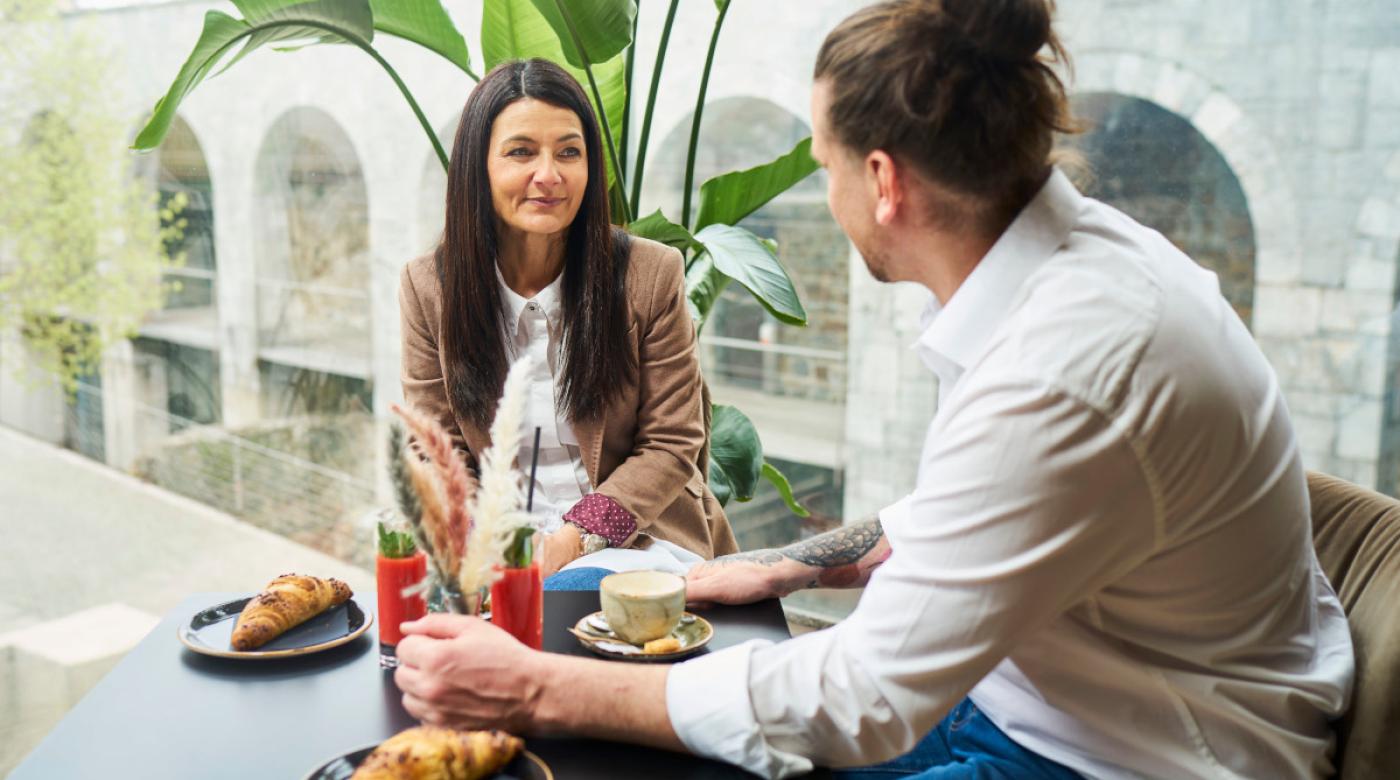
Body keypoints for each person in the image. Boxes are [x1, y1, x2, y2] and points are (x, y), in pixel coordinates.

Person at [393, 2, 1355, 777]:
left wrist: (534, 689)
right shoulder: (1071, 278)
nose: (826, 187)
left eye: (824, 167)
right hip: (1036, 699)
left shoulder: (1068, 368)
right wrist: (795, 564)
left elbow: (865, 700)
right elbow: (981, 510)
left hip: (1130, 750)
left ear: (884, 181)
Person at [398, 58, 738, 583]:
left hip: (637, 538)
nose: (549, 175)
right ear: (477, 167)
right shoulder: (429, 287)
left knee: (572, 594)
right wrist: (504, 544)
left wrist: (575, 537)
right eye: (521, 152)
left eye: (569, 152)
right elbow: (435, 448)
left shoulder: (650, 273)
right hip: (500, 546)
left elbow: (672, 443)